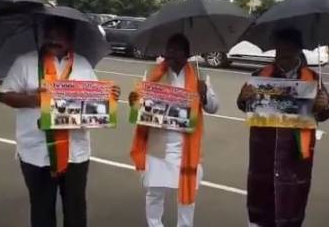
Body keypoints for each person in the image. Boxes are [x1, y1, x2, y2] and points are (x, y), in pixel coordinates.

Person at [0, 17, 120, 227]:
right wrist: (33, 99)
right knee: (42, 209)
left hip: (76, 151)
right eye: (50, 34)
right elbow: (4, 95)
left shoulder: (82, 65)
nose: (53, 40)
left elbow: (95, 103)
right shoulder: (25, 62)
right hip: (36, 151)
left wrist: (110, 97)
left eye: (60, 35)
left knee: (75, 209)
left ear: (71, 39)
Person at [237, 28, 329, 227]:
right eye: (279, 51)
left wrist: (324, 105)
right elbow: (244, 105)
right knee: (261, 209)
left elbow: (322, 114)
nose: (283, 56)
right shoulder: (260, 75)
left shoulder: (313, 79)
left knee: (291, 208)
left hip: (295, 160)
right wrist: (243, 98)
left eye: (288, 51)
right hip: (264, 156)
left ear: (298, 50)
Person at [129, 34, 219, 227]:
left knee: (187, 195)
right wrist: (134, 101)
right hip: (158, 146)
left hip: (185, 147)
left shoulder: (198, 76)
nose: (171, 53)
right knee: (154, 192)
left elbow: (213, 108)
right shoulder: (153, 74)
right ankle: (154, 224)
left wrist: (204, 94)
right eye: (169, 49)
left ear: (187, 54)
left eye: (177, 50)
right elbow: (138, 105)